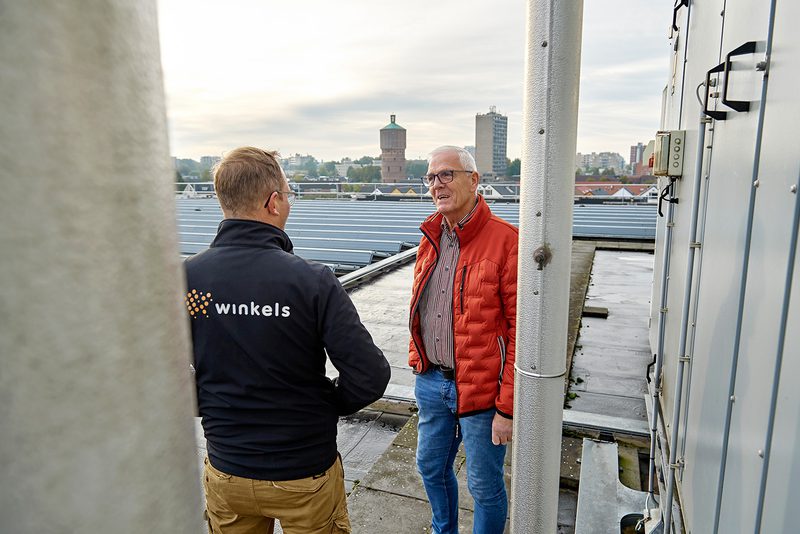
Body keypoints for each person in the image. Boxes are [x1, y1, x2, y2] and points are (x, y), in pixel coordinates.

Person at [184, 147, 390, 534]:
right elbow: (369, 374)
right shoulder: (311, 280)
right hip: (304, 472)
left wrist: (211, 403)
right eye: (289, 194)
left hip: (228, 467)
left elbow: (162, 371)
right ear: (273, 201)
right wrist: (325, 403)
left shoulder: (188, 278)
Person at [408, 145, 518, 534]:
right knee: (430, 467)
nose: (437, 184)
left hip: (483, 392)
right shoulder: (430, 236)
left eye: (446, 175)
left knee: (485, 486)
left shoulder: (506, 241)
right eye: (431, 177)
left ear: (474, 180)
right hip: (432, 381)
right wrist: (419, 360)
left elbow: (519, 332)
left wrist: (507, 408)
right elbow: (423, 307)